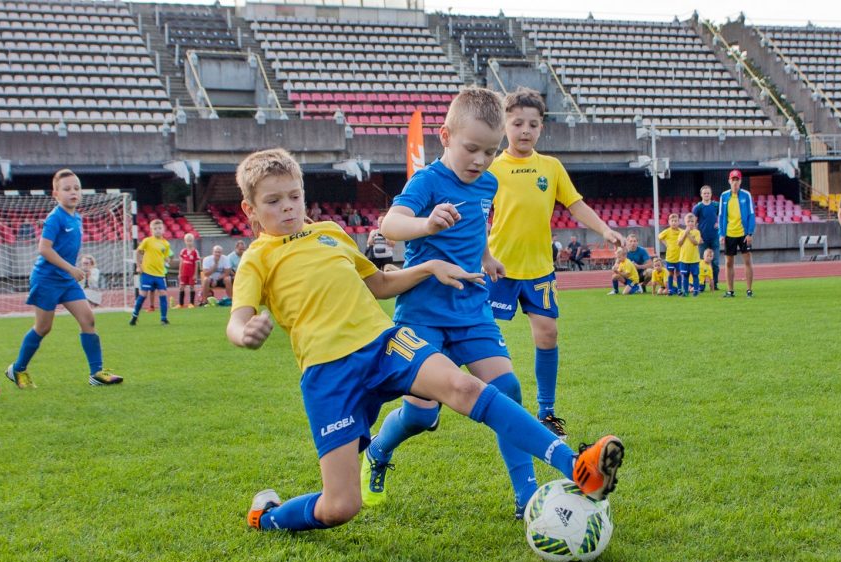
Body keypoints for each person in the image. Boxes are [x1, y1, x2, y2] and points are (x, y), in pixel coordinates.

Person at [228, 147, 624, 534]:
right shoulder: (257, 259)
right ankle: (267, 516)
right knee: (341, 507)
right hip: (329, 375)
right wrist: (244, 333)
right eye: (273, 201)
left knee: (465, 386)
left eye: (294, 196)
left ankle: (578, 467)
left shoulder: (331, 233)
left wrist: (429, 266)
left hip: (384, 345)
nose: (288, 207)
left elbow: (380, 284)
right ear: (250, 209)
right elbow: (237, 320)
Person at [364, 88, 549, 518]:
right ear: (445, 136)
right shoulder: (427, 181)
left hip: (471, 308)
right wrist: (426, 224)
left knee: (507, 388)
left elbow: (476, 227)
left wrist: (486, 257)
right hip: (423, 312)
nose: (481, 160)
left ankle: (528, 498)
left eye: (490, 150)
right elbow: (391, 224)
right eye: (471, 148)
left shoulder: (489, 182)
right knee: (421, 417)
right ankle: (378, 451)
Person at [484, 86, 624, 439]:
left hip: (539, 269)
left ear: (542, 127)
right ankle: (441, 393)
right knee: (479, 337)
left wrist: (605, 229)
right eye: (517, 124)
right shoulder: (492, 168)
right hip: (498, 268)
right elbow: (476, 213)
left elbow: (576, 205)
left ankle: (546, 413)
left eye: (533, 124)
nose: (525, 130)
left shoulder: (551, 167)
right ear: (505, 125)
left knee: (548, 334)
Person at [5, 169, 123, 389]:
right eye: (67, 189)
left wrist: (71, 271)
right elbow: (44, 249)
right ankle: (17, 368)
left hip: (66, 280)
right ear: (56, 194)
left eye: (76, 188)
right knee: (43, 328)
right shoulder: (54, 218)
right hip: (47, 279)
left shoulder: (76, 217)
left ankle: (96, 373)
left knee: (88, 319)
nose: (73, 192)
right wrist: (71, 268)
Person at [718, 170, 755, 298]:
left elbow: (751, 214)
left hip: (743, 234)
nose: (735, 182)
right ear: (729, 181)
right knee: (728, 262)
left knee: (747, 261)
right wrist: (721, 234)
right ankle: (730, 291)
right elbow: (721, 216)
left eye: (737, 180)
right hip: (729, 234)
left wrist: (749, 233)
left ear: (740, 181)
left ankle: (749, 290)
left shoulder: (746, 195)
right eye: (733, 180)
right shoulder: (724, 196)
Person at [130, 219, 171, 325]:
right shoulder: (147, 241)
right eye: (155, 228)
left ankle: (163, 318)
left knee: (163, 294)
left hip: (160, 274)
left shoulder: (166, 244)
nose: (157, 230)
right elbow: (138, 252)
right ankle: (134, 316)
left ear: (163, 230)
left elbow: (166, 257)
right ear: (151, 230)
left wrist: (167, 260)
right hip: (147, 273)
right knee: (143, 294)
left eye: (159, 228)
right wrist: (138, 266)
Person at [692, 185, 720, 290]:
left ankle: (715, 284)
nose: (706, 195)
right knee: (701, 263)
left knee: (715, 262)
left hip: (714, 238)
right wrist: (697, 236)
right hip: (702, 239)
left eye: (708, 193)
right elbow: (693, 223)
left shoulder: (716, 205)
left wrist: (719, 224)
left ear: (711, 194)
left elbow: (723, 216)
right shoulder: (698, 207)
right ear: (701, 195)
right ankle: (701, 283)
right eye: (704, 193)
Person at [658, 213, 683, 296]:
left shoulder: (681, 232)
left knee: (679, 273)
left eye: (675, 221)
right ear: (669, 222)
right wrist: (666, 244)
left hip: (679, 258)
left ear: (678, 222)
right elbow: (659, 237)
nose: (674, 222)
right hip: (670, 258)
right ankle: (670, 290)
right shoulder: (667, 231)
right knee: (670, 273)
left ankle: (679, 289)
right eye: (672, 221)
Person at [677, 213, 702, 297]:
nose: (690, 223)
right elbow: (679, 243)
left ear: (695, 222)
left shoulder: (697, 232)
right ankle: (685, 291)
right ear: (685, 222)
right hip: (684, 259)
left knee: (695, 275)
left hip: (694, 259)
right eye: (688, 221)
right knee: (685, 276)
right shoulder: (681, 232)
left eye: (692, 221)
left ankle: (695, 291)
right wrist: (685, 234)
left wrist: (688, 234)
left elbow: (696, 243)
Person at [176, 233, 201, 308]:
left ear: (193, 241)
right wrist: (179, 272)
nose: (189, 242)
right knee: (181, 287)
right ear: (185, 241)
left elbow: (196, 264)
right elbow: (181, 263)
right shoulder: (183, 251)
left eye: (190, 241)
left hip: (191, 273)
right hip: (184, 273)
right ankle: (180, 304)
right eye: (187, 241)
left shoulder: (195, 252)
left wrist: (195, 274)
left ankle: (191, 303)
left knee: (192, 287)